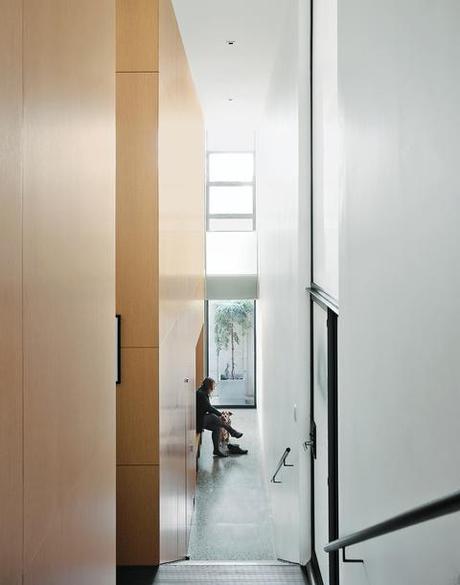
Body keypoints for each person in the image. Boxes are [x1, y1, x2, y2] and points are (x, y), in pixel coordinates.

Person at [196, 377, 243, 457]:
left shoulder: (203, 392)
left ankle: (216, 450)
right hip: (197, 421)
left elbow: (208, 407)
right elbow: (209, 408)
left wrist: (220, 414)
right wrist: (220, 415)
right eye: (213, 386)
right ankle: (232, 432)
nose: (214, 388)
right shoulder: (201, 394)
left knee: (217, 427)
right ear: (209, 386)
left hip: (200, 419)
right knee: (213, 416)